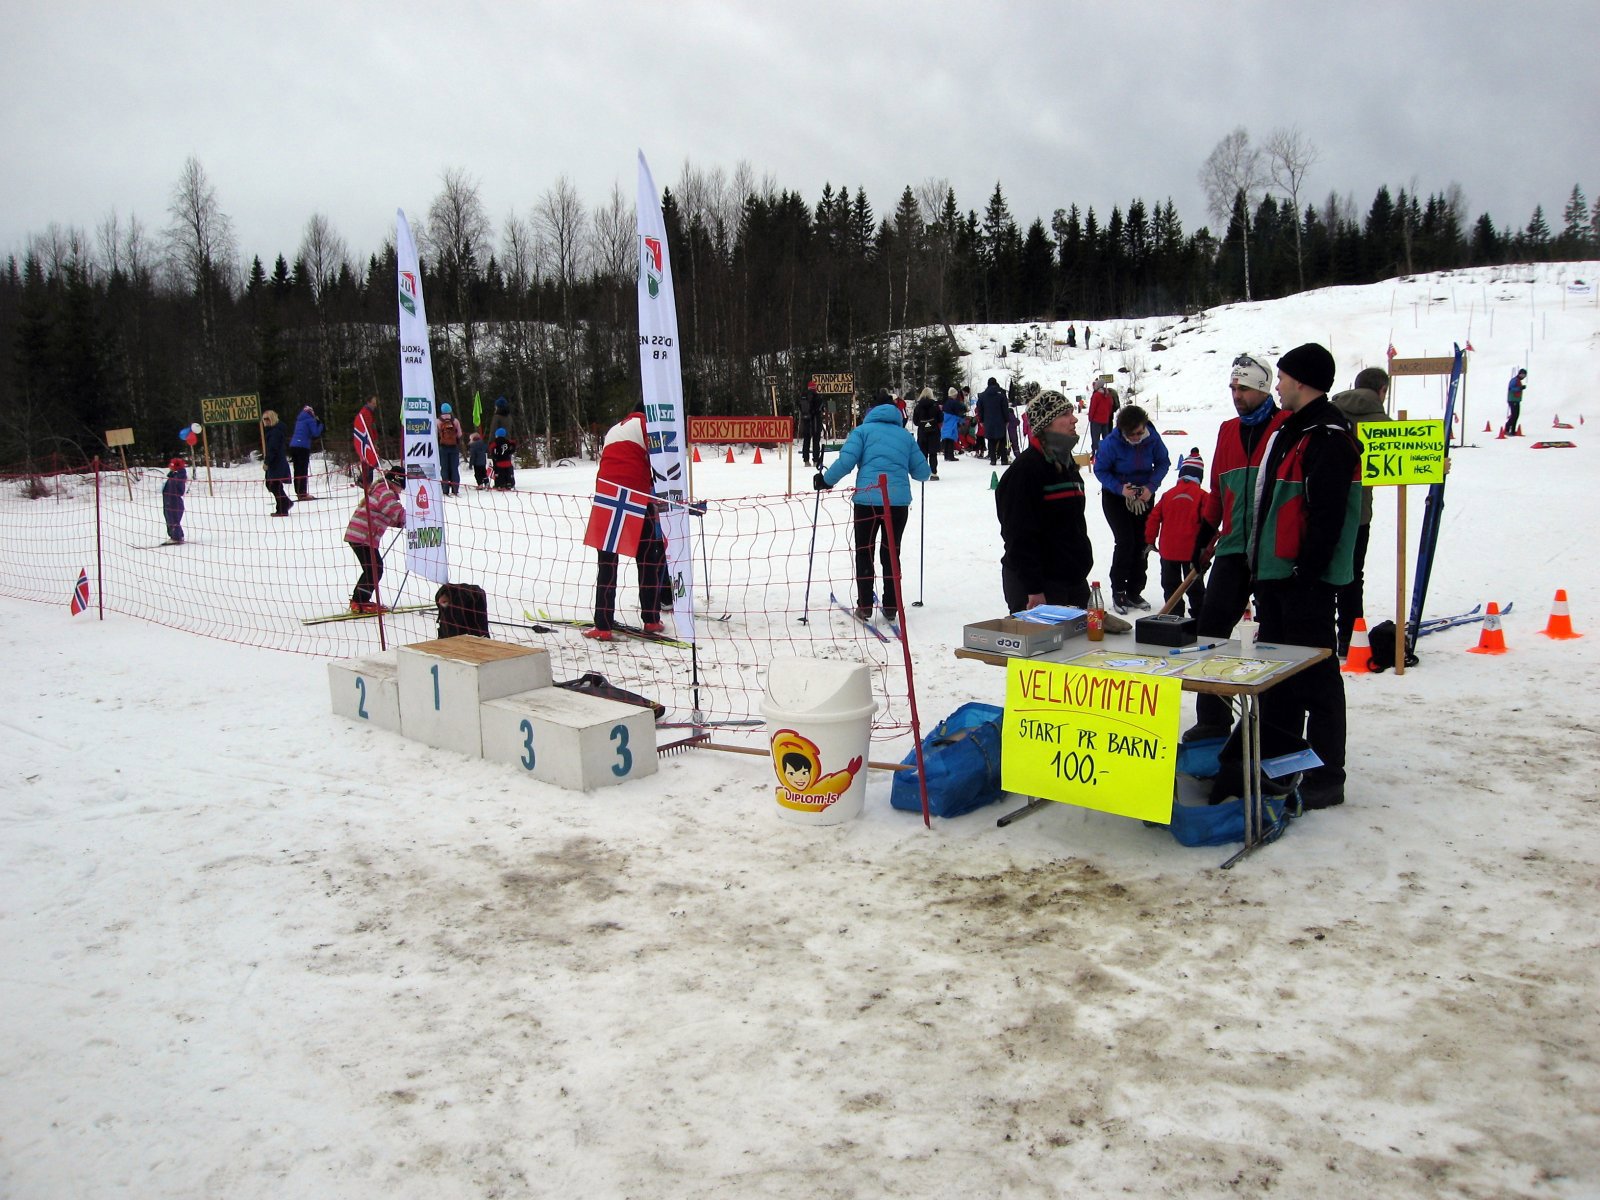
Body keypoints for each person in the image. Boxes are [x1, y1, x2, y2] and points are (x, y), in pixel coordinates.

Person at [1209, 343, 1362, 811]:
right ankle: (1281, 760)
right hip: (1275, 576)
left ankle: (1326, 775)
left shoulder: (1329, 436)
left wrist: (1307, 575)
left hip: (1301, 583)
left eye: (1282, 377)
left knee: (1317, 678)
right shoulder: (1296, 430)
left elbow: (1327, 516)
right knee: (1279, 678)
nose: (1276, 385)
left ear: (1302, 381)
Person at [1187, 353, 1288, 741]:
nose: (1236, 394)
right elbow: (1218, 489)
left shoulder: (1285, 426)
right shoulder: (1228, 430)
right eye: (1232, 387)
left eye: (1243, 388)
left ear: (1263, 389)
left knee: (1274, 638)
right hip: (1231, 548)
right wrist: (1204, 531)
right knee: (1210, 629)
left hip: (1271, 551)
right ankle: (1212, 719)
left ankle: (1273, 721)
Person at [816, 392, 932, 621]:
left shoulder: (861, 432)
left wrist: (826, 481)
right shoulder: (904, 436)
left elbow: (846, 461)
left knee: (864, 551)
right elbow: (922, 473)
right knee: (891, 552)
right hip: (897, 503)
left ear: (872, 411)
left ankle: (865, 605)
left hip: (867, 501)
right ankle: (891, 606)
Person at [994, 390, 1093, 613]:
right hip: (1038, 588)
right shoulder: (1025, 471)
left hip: (1072, 582)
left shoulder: (1067, 466)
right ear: (1046, 423)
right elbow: (1018, 535)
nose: (1074, 419)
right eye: (1066, 414)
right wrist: (1033, 587)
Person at [585, 411, 668, 641]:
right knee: (647, 557)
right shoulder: (645, 424)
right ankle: (651, 619)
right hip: (636, 495)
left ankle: (602, 624)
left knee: (607, 562)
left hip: (607, 495)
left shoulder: (614, 430)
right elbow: (660, 459)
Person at [1331, 367, 1392, 656]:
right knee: (1353, 575)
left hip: (1320, 506)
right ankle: (1349, 637)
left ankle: (1321, 634)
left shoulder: (1330, 410)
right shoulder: (1383, 422)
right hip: (1358, 512)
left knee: (1322, 573)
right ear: (1382, 391)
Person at [1092, 404, 1170, 611]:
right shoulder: (1111, 443)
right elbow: (1100, 469)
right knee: (1126, 541)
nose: (1137, 437)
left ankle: (1135, 591)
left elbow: (1163, 462)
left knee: (1142, 542)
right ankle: (1119, 591)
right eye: (1132, 434)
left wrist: (1151, 487)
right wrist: (1120, 488)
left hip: (1144, 494)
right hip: (1117, 496)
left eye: (1139, 432)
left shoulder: (1152, 437)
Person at [1144, 449, 1212, 619]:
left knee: (1170, 585)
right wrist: (1209, 548)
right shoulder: (1203, 497)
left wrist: (1150, 540)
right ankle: (1199, 615)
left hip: (1168, 551)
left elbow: (1153, 518)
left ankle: (1174, 615)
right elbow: (1210, 522)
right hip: (1192, 553)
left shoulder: (1168, 495)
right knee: (1195, 586)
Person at [344, 465, 407, 614]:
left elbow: (388, 516)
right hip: (363, 536)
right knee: (374, 569)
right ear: (396, 483)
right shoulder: (385, 493)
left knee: (372, 568)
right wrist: (413, 518)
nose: (402, 491)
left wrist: (401, 522)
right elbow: (394, 511)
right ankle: (361, 601)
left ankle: (358, 600)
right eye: (402, 488)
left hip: (360, 535)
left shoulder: (381, 491)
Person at [261, 410, 293, 516]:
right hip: (277, 461)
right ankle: (284, 505)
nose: (265, 421)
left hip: (276, 462)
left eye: (267, 419)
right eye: (264, 419)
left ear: (273, 419)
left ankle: (283, 507)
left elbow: (272, 449)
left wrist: (267, 462)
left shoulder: (275, 432)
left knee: (274, 485)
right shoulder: (273, 430)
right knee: (273, 485)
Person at [289, 405, 323, 500]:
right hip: (303, 446)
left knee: (297, 469)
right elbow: (315, 433)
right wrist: (320, 425)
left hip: (294, 445)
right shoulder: (310, 420)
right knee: (303, 469)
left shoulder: (299, 420)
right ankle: (303, 493)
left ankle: (298, 491)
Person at [976, 376, 1010, 465]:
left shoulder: (982, 395)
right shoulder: (1001, 394)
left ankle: (993, 459)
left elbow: (980, 409)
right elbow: (1005, 408)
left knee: (991, 440)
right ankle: (1004, 459)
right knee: (1002, 440)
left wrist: (981, 420)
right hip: (1000, 420)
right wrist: (1007, 419)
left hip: (988, 421)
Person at [911, 386, 941, 479]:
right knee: (933, 453)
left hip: (922, 432)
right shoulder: (935, 406)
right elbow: (941, 418)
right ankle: (933, 473)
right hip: (934, 432)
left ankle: (924, 473)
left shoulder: (918, 407)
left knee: (923, 454)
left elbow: (915, 422)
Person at [436, 402, 465, 496]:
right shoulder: (455, 421)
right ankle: (455, 489)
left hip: (443, 447)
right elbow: (459, 434)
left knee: (444, 468)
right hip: (454, 447)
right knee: (454, 468)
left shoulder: (438, 421)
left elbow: (436, 434)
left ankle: (445, 489)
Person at [352, 394, 380, 487]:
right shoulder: (366, 413)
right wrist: (373, 442)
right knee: (372, 461)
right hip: (369, 442)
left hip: (370, 440)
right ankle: (364, 481)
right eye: (373, 403)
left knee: (371, 461)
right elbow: (368, 429)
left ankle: (365, 481)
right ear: (368, 403)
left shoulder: (368, 412)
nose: (375, 405)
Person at [1086, 380, 1118, 454]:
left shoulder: (1096, 395)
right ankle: (1107, 452)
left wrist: (1090, 417)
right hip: (1105, 420)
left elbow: (1093, 407)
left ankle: (1095, 453)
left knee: (1095, 438)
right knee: (1106, 438)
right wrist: (1107, 415)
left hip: (1096, 420)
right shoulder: (1108, 395)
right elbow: (1110, 406)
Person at [799, 381, 825, 467]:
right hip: (815, 422)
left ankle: (806, 460)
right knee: (816, 441)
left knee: (806, 441)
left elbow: (800, 407)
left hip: (806, 421)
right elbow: (820, 408)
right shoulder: (817, 397)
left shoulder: (803, 396)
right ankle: (816, 460)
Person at [162, 456, 187, 543]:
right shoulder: (173, 475)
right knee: (170, 518)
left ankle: (177, 537)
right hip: (169, 500)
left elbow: (177, 488)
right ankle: (176, 535)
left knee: (173, 519)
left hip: (174, 501)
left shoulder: (178, 476)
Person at [939, 387, 965, 462]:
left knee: (946, 439)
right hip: (952, 422)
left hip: (946, 422)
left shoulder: (946, 402)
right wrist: (962, 419)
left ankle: (946, 456)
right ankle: (951, 456)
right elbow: (959, 412)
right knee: (951, 440)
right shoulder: (955, 403)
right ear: (953, 395)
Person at [1504, 367, 1527, 436]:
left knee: (1516, 415)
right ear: (1519, 374)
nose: (1523, 376)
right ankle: (1507, 429)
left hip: (1516, 400)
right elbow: (1511, 388)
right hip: (1512, 400)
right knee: (1514, 415)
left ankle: (1513, 431)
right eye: (1522, 375)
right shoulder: (1514, 380)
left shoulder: (1518, 380)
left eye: (1524, 375)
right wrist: (1520, 388)